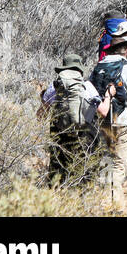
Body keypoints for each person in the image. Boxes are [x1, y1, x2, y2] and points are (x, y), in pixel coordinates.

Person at [88, 23, 127, 213]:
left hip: (100, 121)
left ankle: (104, 203)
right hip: (121, 122)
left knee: (105, 163)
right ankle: (116, 206)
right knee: (119, 165)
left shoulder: (98, 67)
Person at [42, 52, 101, 187]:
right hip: (83, 131)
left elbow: (41, 113)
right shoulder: (87, 86)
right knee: (83, 164)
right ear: (80, 70)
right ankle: (82, 194)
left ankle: (55, 195)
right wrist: (109, 96)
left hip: (60, 131)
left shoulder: (54, 86)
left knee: (58, 163)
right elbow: (102, 111)